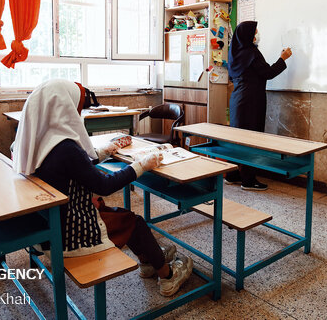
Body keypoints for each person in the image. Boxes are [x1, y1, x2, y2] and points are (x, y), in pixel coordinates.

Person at [12, 79, 193, 297]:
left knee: (117, 215)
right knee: (134, 223)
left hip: (51, 226)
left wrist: (103, 152)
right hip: (72, 235)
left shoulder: (38, 141)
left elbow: (72, 170)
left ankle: (148, 262)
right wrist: (140, 166)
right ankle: (167, 275)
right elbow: (104, 185)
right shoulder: (66, 148)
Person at [226, 21, 292, 190]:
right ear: (248, 35)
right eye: (255, 31)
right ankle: (248, 180)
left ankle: (233, 174)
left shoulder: (235, 53)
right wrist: (282, 58)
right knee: (251, 139)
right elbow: (268, 73)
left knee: (238, 139)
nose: (257, 34)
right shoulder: (251, 53)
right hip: (251, 101)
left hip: (238, 100)